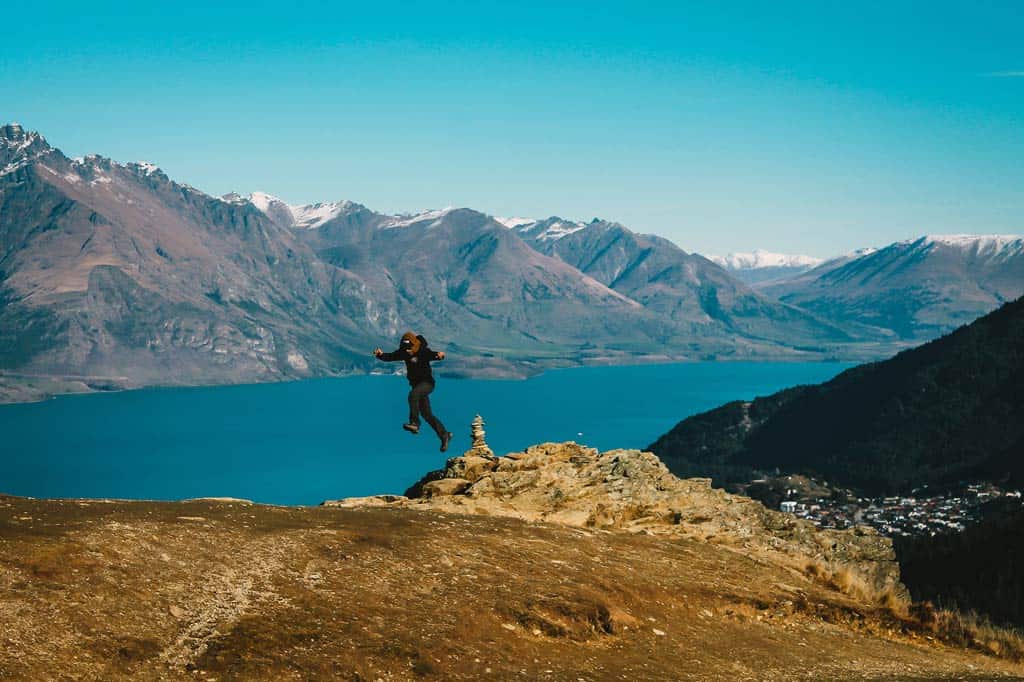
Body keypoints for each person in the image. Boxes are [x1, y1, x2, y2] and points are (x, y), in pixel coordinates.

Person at [374, 332, 454, 452]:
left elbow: (433, 355)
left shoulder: (422, 351)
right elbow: (391, 356)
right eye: (405, 349)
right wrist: (380, 355)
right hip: (417, 386)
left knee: (413, 395)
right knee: (427, 414)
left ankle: (414, 423)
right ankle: (444, 435)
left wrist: (439, 355)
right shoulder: (404, 352)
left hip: (427, 384)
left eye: (409, 348)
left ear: (414, 345)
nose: (407, 351)